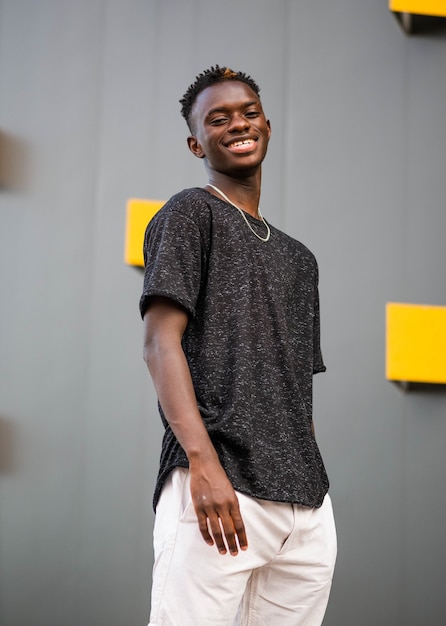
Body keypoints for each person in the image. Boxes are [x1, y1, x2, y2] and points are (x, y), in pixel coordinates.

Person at [140, 65, 336, 626]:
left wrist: (317, 495)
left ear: (268, 126)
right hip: (219, 486)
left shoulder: (299, 258)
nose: (238, 125)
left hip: (304, 507)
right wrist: (203, 468)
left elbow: (298, 384)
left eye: (248, 113)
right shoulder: (189, 212)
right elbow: (159, 344)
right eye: (217, 119)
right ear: (195, 141)